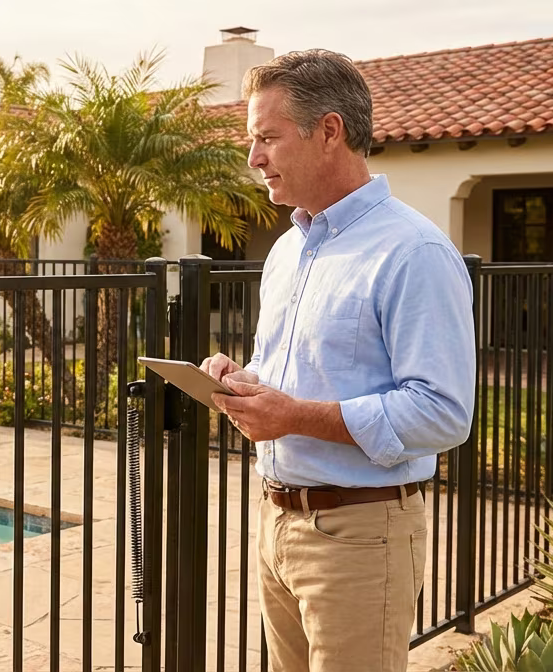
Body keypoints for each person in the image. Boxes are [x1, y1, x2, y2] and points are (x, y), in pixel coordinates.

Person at [199, 49, 476, 672]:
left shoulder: (415, 251)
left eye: (267, 137)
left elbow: (443, 413)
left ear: (329, 131)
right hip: (277, 524)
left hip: (361, 538)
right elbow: (297, 375)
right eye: (252, 139)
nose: (254, 158)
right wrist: (246, 384)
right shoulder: (287, 251)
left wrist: (293, 415)